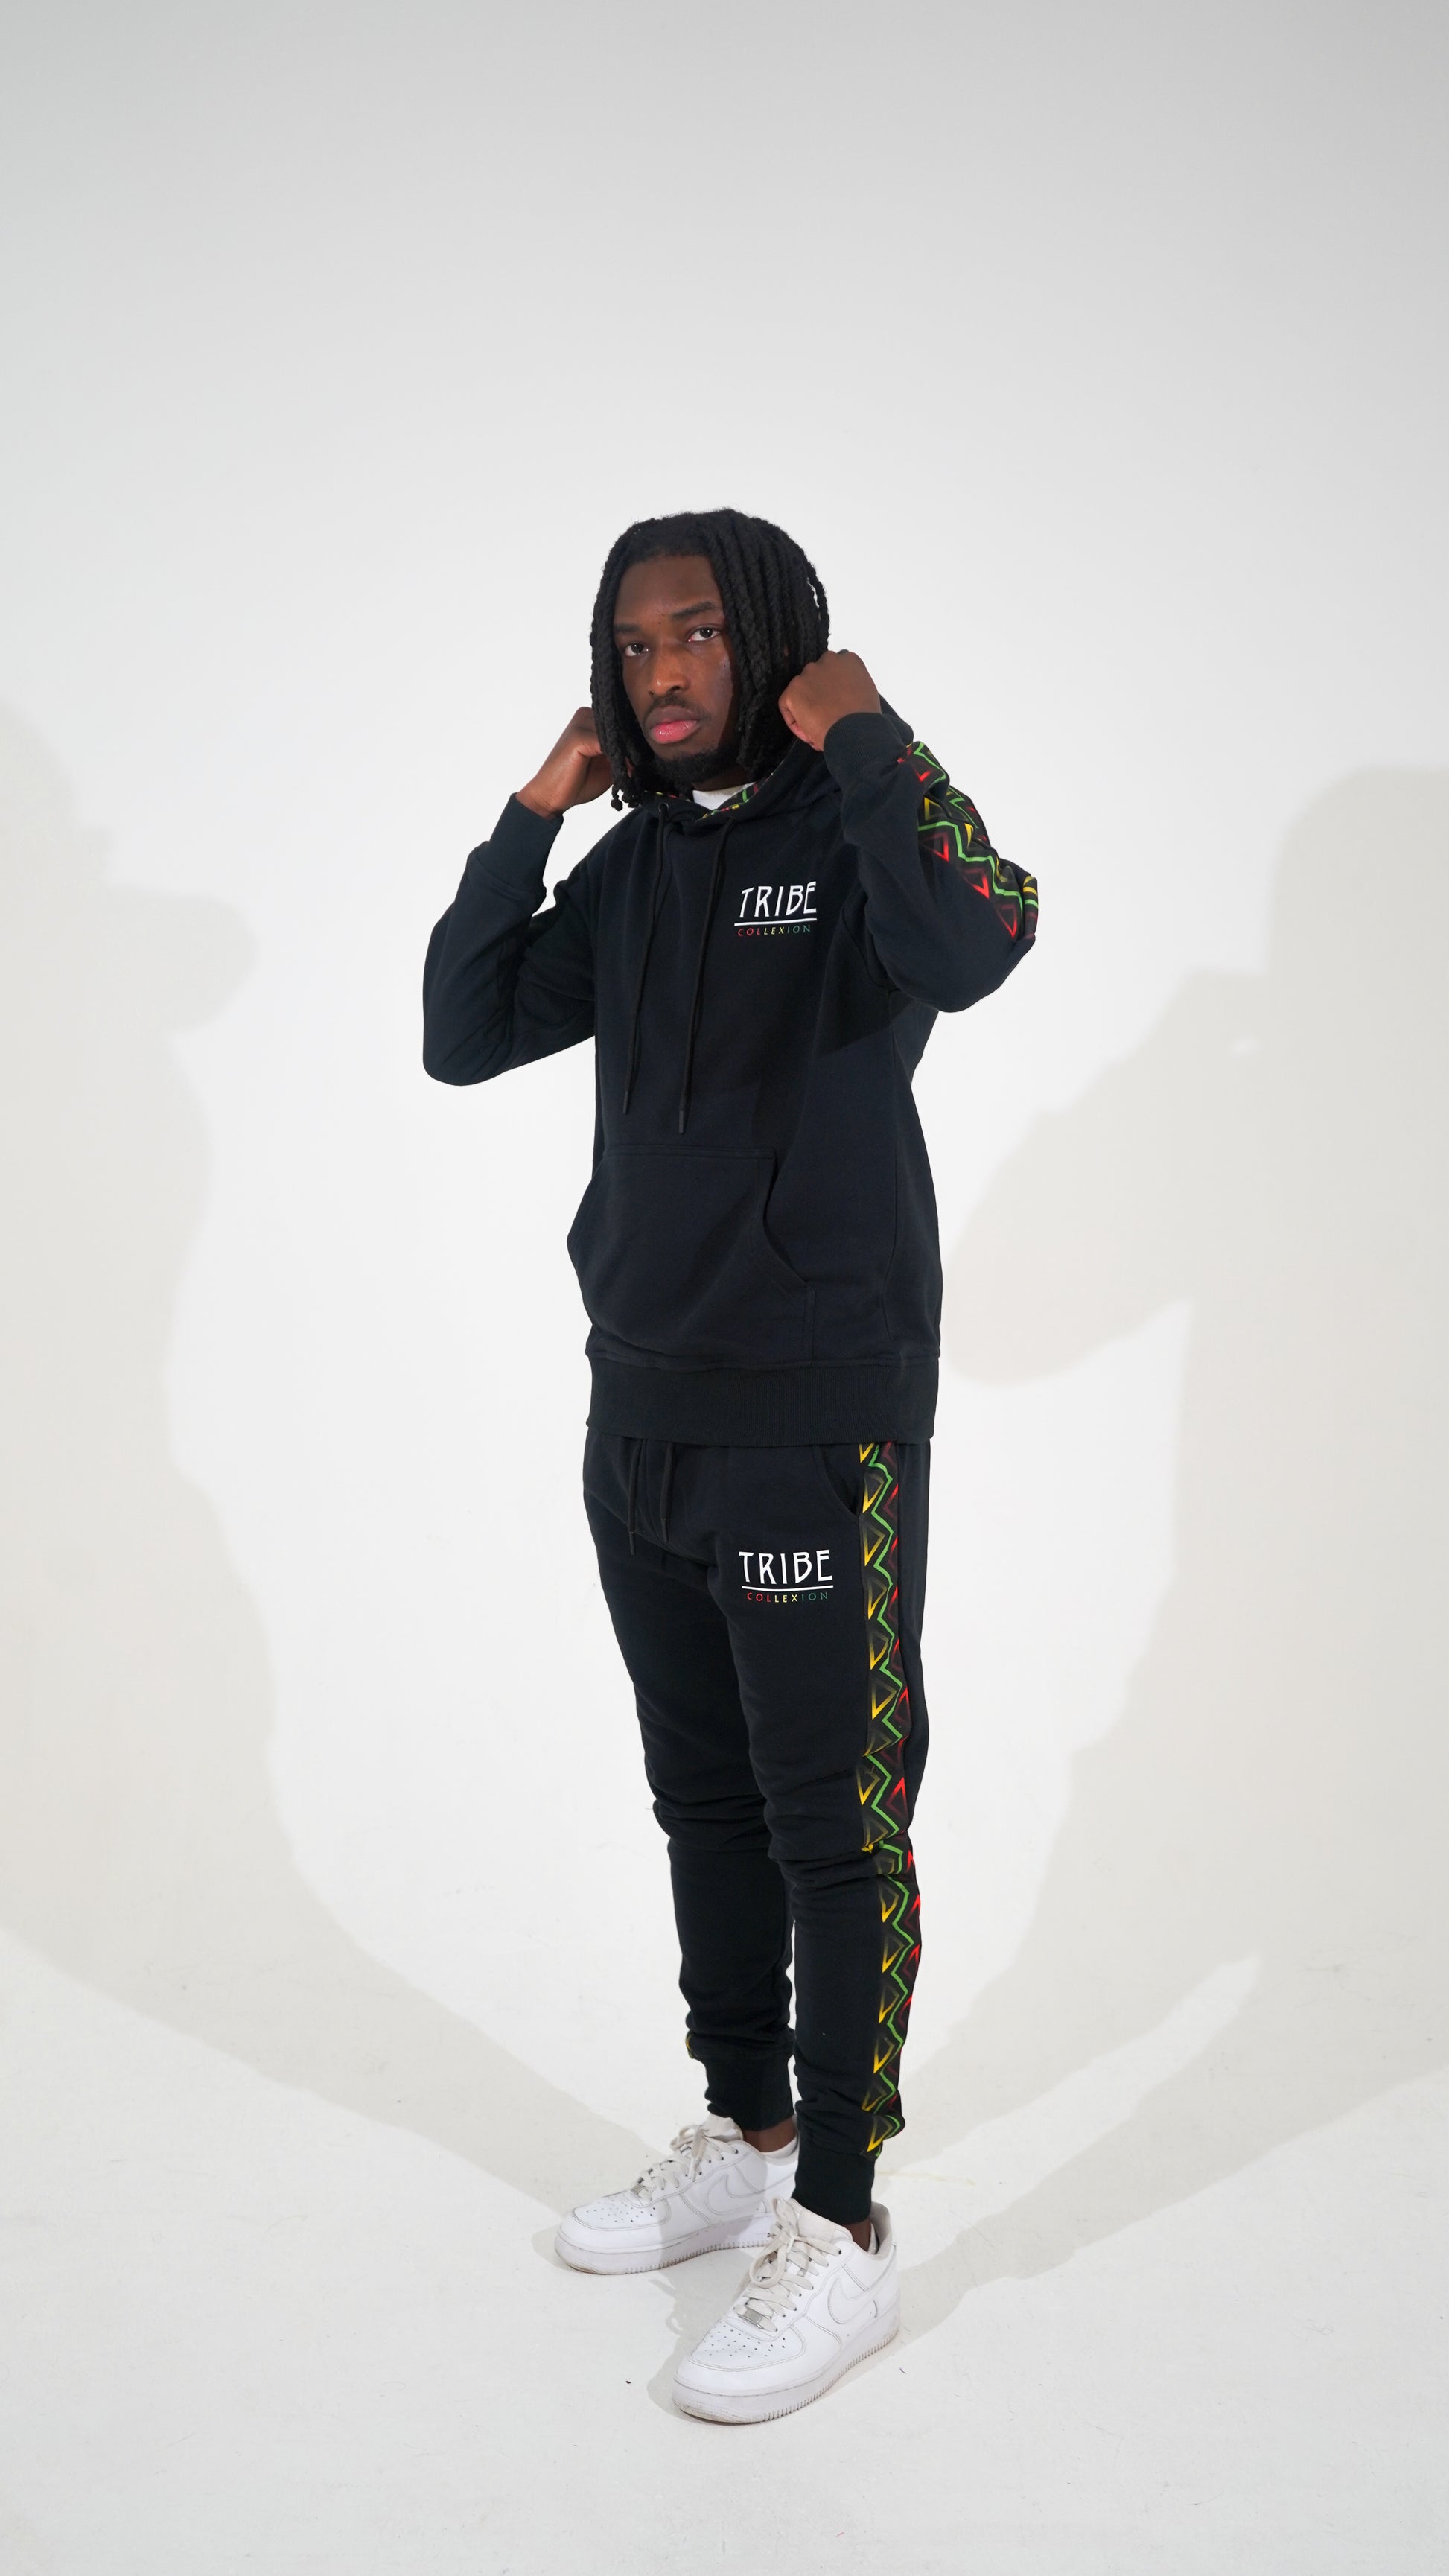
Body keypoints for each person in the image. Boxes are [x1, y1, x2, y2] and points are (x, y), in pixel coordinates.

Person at [422, 508, 1036, 2422]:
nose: (662, 672)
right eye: (632, 645)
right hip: (641, 1404)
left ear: (770, 638)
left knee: (831, 1820)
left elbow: (982, 935)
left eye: (695, 633)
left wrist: (871, 734)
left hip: (815, 1411)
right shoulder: (631, 869)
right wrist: (533, 815)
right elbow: (460, 1031)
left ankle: (841, 2221)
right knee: (700, 1798)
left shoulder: (860, 838)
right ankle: (747, 2130)